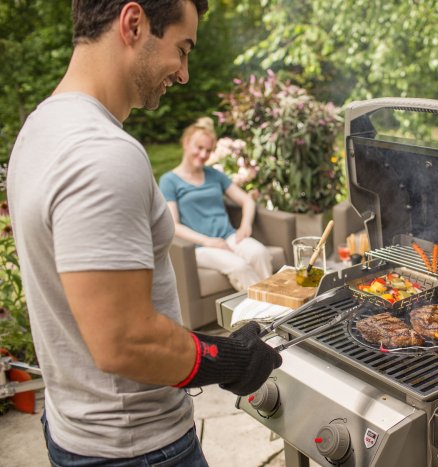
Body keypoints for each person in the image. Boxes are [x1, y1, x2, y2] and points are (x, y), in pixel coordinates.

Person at [6, 1, 281, 466]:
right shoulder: (103, 152)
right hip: (137, 447)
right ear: (133, 23)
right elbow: (126, 340)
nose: (184, 73)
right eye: (182, 48)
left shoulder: (38, 129)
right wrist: (230, 358)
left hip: (74, 427)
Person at [160, 117, 273, 291]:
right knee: (240, 267)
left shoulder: (214, 175)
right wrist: (208, 241)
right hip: (199, 247)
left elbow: (247, 200)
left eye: (208, 150)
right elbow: (174, 225)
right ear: (186, 143)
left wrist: (245, 226)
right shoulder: (169, 181)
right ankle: (266, 315)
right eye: (199, 148)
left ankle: (275, 305)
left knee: (260, 253)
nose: (204, 155)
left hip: (229, 236)